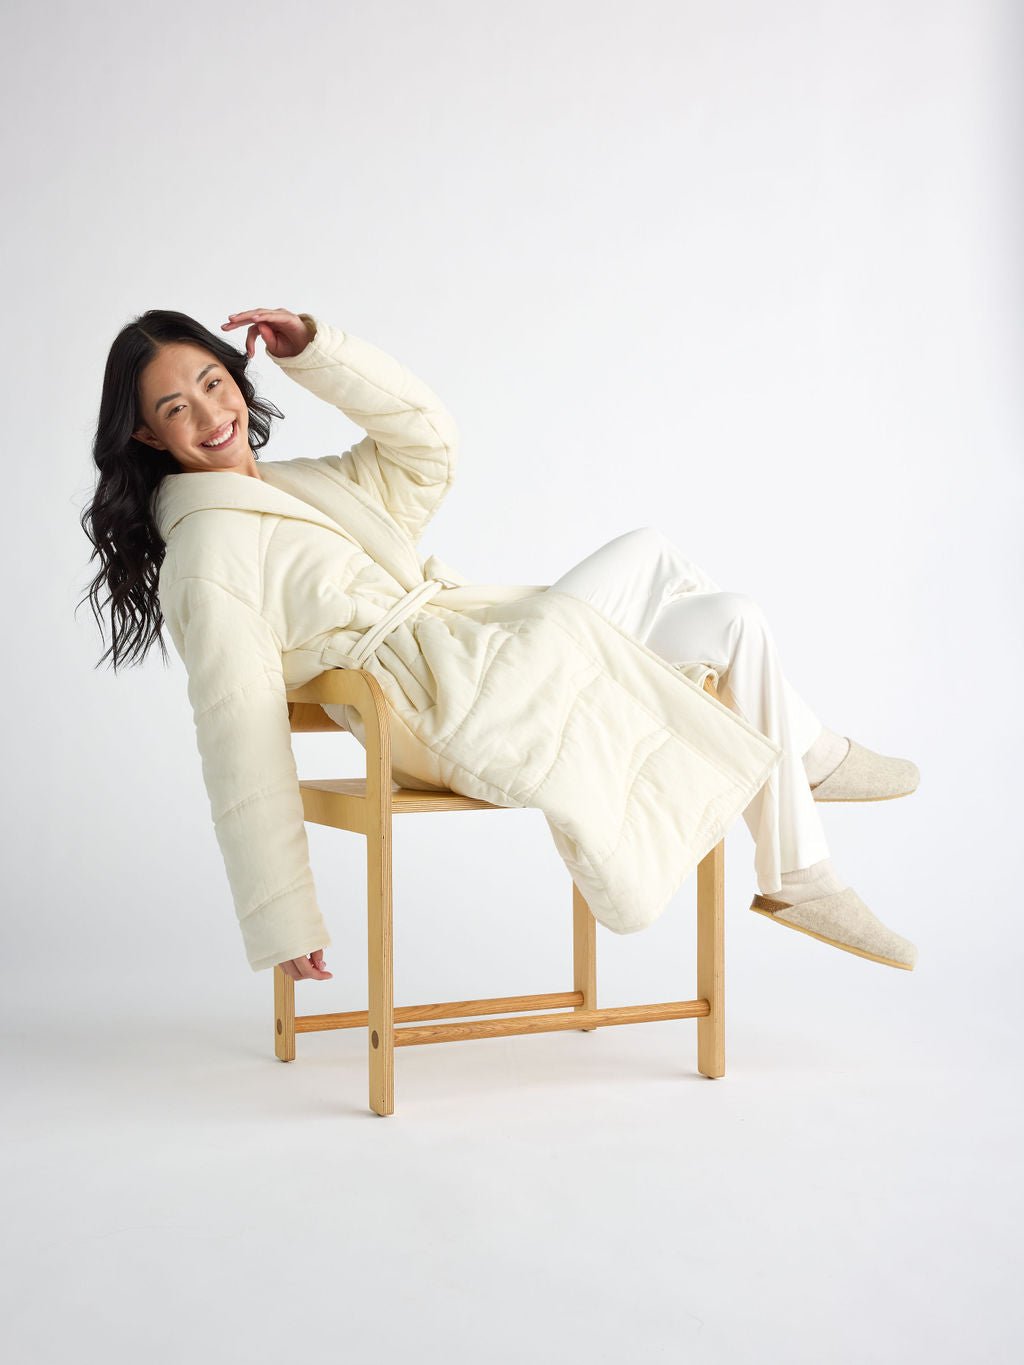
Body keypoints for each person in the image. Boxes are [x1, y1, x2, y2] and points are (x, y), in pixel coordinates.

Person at [79, 306, 920, 981]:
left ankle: (798, 867)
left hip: (487, 667)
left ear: (237, 378)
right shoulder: (206, 552)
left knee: (724, 610)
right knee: (585, 605)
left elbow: (427, 444)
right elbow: (236, 731)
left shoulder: (308, 486)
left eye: (212, 382)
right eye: (174, 407)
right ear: (150, 436)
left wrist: (321, 351)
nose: (210, 414)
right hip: (435, 713)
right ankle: (809, 758)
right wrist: (281, 915)